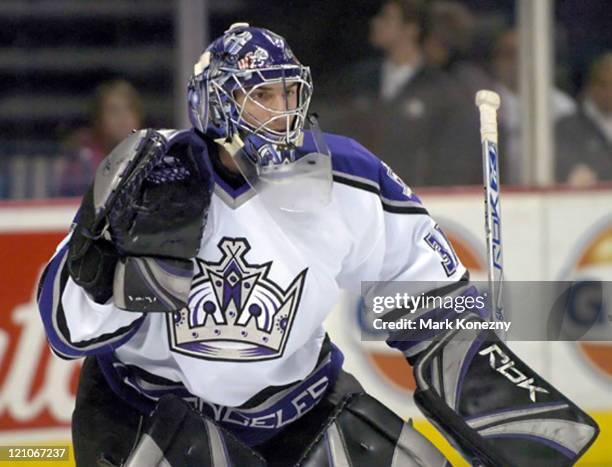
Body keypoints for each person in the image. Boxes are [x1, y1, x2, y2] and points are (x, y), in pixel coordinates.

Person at [37, 23, 597, 467]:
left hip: (297, 410)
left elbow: (421, 296)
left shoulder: (348, 178)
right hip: (153, 411)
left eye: (289, 92)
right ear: (217, 104)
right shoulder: (150, 176)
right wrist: (99, 272)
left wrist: (484, 385)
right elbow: (68, 332)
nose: (283, 111)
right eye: (262, 95)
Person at [330, 0, 482, 187]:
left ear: (411, 29)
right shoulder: (358, 81)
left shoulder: (442, 90)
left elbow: (451, 157)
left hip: (414, 200)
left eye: (386, 18)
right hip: (361, 195)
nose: (375, 22)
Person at [490, 28, 576, 184]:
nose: (516, 62)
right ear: (496, 60)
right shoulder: (484, 102)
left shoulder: (562, 106)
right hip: (496, 192)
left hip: (550, 190)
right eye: (509, 55)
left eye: (524, 55)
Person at [56, 80, 144, 197]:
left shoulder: (151, 158)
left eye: (130, 109)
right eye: (114, 111)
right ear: (98, 119)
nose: (123, 118)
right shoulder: (81, 160)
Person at [556, 52, 612, 186]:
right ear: (591, 86)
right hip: (587, 202)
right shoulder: (567, 127)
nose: (609, 91)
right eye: (605, 84)